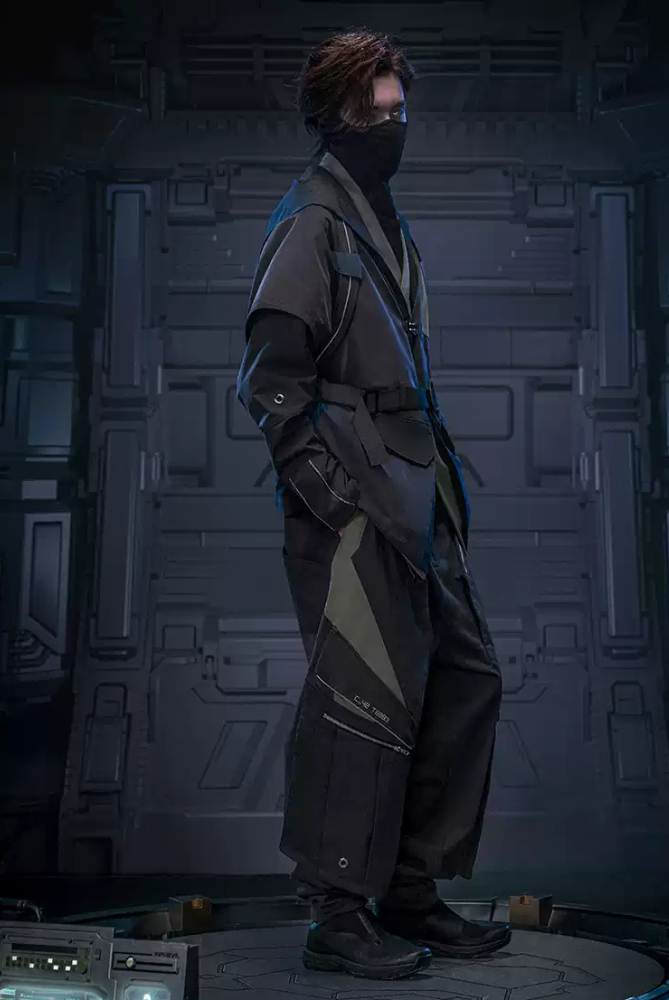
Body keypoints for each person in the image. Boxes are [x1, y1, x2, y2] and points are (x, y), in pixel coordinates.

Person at [237, 28, 509, 980]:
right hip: (356, 496)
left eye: (400, 110)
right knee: (362, 694)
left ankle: (410, 890)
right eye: (376, 112)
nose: (394, 126)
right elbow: (272, 377)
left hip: (416, 489)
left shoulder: (379, 219)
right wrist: (328, 496)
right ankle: (336, 913)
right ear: (333, 118)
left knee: (465, 677)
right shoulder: (312, 220)